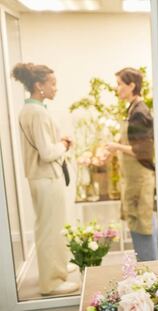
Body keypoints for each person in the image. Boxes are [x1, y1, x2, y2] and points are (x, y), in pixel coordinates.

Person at [12, 63, 79, 295]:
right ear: (39, 85)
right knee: (50, 230)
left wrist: (58, 143)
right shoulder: (37, 113)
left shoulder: (32, 110)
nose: (56, 88)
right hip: (46, 178)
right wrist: (64, 143)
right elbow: (48, 152)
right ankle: (51, 283)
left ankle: (58, 267)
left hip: (42, 177)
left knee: (52, 227)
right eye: (52, 83)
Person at [106, 67, 158, 261]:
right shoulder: (133, 109)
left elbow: (142, 150)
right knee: (142, 222)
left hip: (140, 179)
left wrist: (115, 146)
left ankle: (149, 271)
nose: (116, 88)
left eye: (119, 84)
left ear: (132, 86)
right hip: (134, 179)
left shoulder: (139, 113)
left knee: (142, 225)